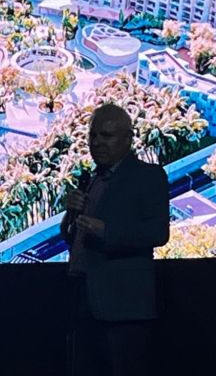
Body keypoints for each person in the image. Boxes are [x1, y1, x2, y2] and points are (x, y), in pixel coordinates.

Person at [61, 103, 170, 376]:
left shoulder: (148, 176)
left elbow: (158, 233)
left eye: (106, 135)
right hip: (83, 298)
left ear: (128, 139)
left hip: (124, 306)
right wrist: (70, 214)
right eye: (93, 135)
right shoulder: (92, 179)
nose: (97, 142)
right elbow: (74, 236)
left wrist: (107, 231)